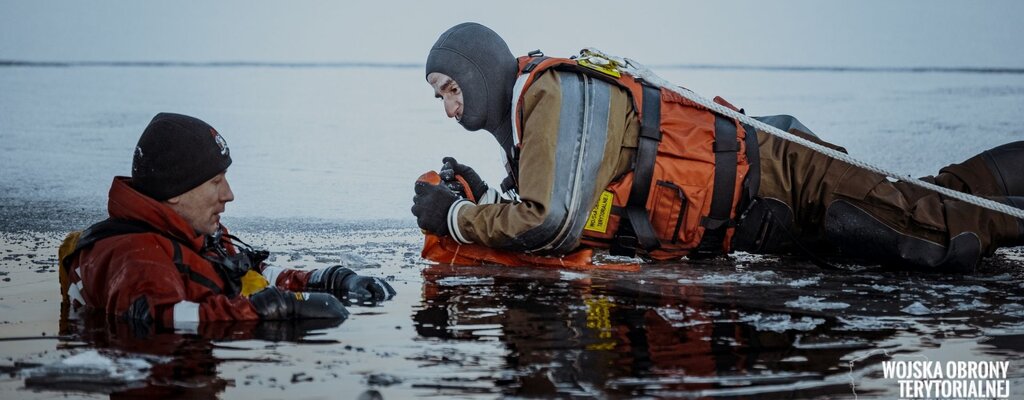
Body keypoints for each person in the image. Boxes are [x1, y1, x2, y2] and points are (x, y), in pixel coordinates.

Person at [411, 22, 1024, 271]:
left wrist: (459, 219)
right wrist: (487, 197)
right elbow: (559, 200)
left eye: (450, 88)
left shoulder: (551, 94)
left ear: (481, 72)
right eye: (440, 97)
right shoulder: (534, 122)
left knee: (941, 230)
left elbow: (552, 222)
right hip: (761, 213)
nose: (448, 106)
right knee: (929, 210)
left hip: (785, 176)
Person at [60, 112, 395, 329]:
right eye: (215, 182)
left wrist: (331, 279)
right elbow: (158, 317)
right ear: (176, 191)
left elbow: (250, 273)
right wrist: (273, 310)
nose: (229, 194)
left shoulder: (193, 230)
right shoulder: (137, 256)